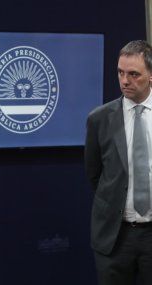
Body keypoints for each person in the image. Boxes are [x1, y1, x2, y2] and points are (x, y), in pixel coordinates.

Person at [85, 40, 152, 285]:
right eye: (120, 73)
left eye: (134, 74)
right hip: (115, 237)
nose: (125, 81)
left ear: (151, 76)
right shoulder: (99, 119)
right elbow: (94, 174)